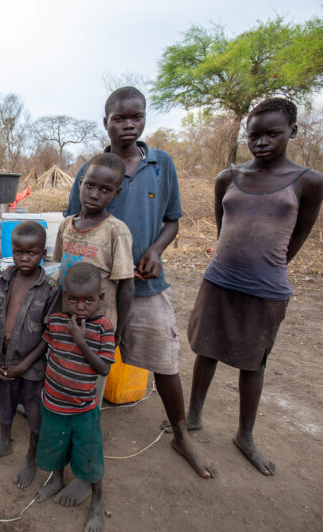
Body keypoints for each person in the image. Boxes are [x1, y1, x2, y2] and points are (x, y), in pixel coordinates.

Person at [64, 87, 216, 478]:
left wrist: (156, 251)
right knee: (87, 361)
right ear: (106, 122)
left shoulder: (161, 164)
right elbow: (72, 225)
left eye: (136, 117)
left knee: (164, 361)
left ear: (145, 119)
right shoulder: (91, 169)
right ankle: (83, 440)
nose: (128, 125)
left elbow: (172, 219)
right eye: (119, 118)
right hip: (96, 293)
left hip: (145, 284)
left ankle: (181, 434)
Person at [185, 98, 323, 476]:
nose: (261, 142)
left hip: (266, 289)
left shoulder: (308, 181)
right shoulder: (228, 178)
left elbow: (298, 236)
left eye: (272, 134)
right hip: (219, 280)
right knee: (206, 350)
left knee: (254, 363)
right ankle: (193, 416)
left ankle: (245, 436)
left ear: (292, 132)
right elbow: (222, 229)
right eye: (254, 135)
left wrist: (268, 267)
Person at [0, 221, 61, 489]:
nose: (25, 258)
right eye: (18, 252)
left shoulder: (50, 289)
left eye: (32, 253)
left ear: (43, 253)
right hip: (3, 360)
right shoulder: (3, 280)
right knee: (4, 404)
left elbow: (49, 334)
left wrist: (25, 363)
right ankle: (4, 443)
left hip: (33, 367)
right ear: (11, 251)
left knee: (35, 412)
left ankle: (31, 456)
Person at [34, 262, 115, 532]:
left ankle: (96, 502)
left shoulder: (103, 328)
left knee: (90, 456)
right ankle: (56, 479)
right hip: (53, 404)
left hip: (84, 409)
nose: (80, 306)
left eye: (88, 300)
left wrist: (80, 340)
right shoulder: (56, 321)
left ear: (100, 298)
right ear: (65, 296)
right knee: (55, 446)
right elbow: (45, 350)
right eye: (74, 299)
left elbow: (103, 368)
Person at [53, 152, 135, 406]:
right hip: (65, 318)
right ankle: (60, 415)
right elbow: (59, 273)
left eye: (104, 189)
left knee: (90, 383)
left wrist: (118, 329)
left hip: (98, 325)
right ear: (80, 183)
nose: (94, 194)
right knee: (64, 372)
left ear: (116, 194)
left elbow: (127, 285)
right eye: (90, 185)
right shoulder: (67, 225)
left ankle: (87, 426)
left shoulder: (116, 231)